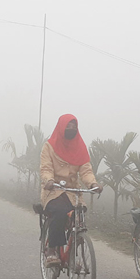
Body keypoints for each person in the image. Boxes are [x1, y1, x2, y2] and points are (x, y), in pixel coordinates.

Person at [40, 114, 102, 267]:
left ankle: (72, 252)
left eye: (74, 127)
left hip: (73, 192)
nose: (71, 129)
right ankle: (53, 250)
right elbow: (46, 168)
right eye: (68, 126)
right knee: (60, 212)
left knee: (79, 218)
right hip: (54, 190)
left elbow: (86, 171)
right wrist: (49, 180)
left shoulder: (80, 147)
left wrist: (93, 184)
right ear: (61, 127)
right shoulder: (49, 146)